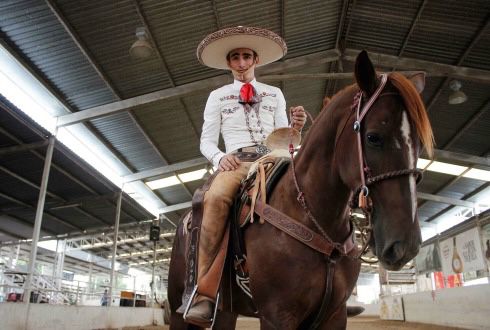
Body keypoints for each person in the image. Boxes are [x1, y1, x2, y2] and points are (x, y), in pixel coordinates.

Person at [183, 26, 306, 326]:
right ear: (229, 63)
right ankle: (205, 293)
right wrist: (220, 157)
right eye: (235, 57)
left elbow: (283, 139)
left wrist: (297, 129)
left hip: (273, 156)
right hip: (236, 160)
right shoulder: (217, 96)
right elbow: (206, 141)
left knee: (309, 188)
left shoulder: (274, 93)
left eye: (246, 56)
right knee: (214, 199)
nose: (241, 62)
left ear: (256, 60)